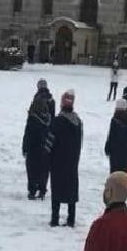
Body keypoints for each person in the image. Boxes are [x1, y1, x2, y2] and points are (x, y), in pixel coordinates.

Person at [47, 90, 82, 227]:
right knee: (71, 191)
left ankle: (55, 219)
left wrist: (47, 156)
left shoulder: (57, 121)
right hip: (72, 162)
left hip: (57, 162)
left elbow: (50, 142)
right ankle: (71, 219)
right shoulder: (78, 122)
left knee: (57, 190)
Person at [105, 98, 127, 179]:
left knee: (114, 172)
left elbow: (111, 135)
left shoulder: (114, 119)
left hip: (114, 152)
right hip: (125, 152)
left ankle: (114, 185)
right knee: (123, 174)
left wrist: (107, 147)